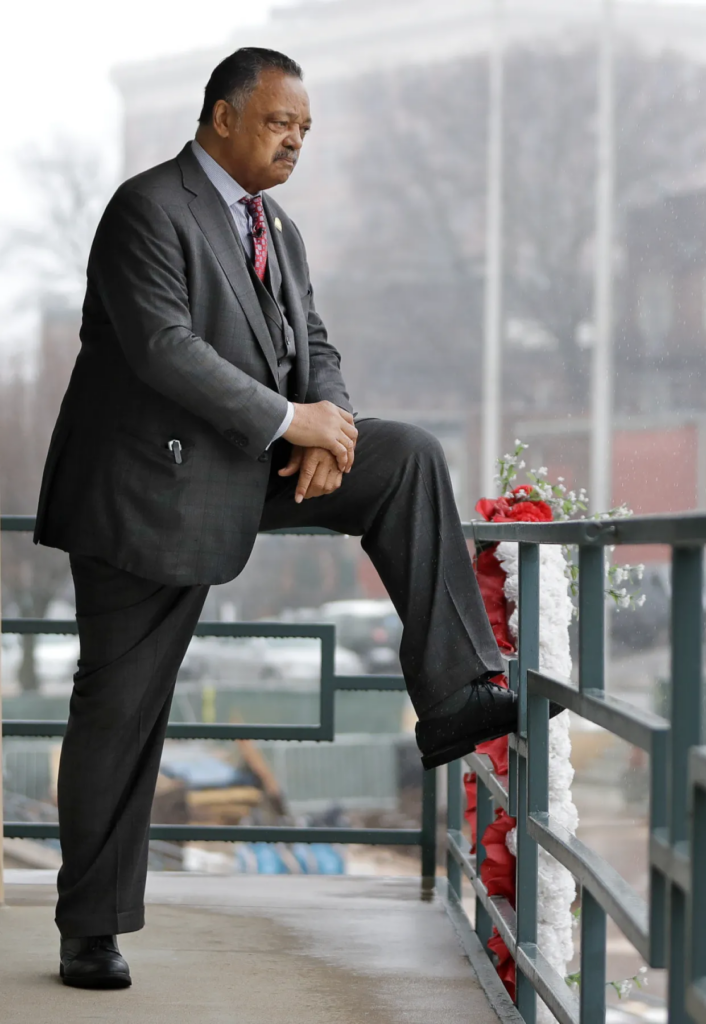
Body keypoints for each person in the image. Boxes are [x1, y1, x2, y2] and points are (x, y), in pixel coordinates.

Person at [34, 47, 519, 989]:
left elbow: (316, 342)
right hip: (144, 489)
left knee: (407, 455)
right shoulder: (148, 208)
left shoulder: (278, 226)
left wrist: (328, 425)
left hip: (251, 460)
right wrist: (287, 420)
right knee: (120, 714)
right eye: (278, 123)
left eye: (305, 130)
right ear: (222, 116)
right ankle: (89, 931)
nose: (296, 141)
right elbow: (165, 349)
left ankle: (454, 695)